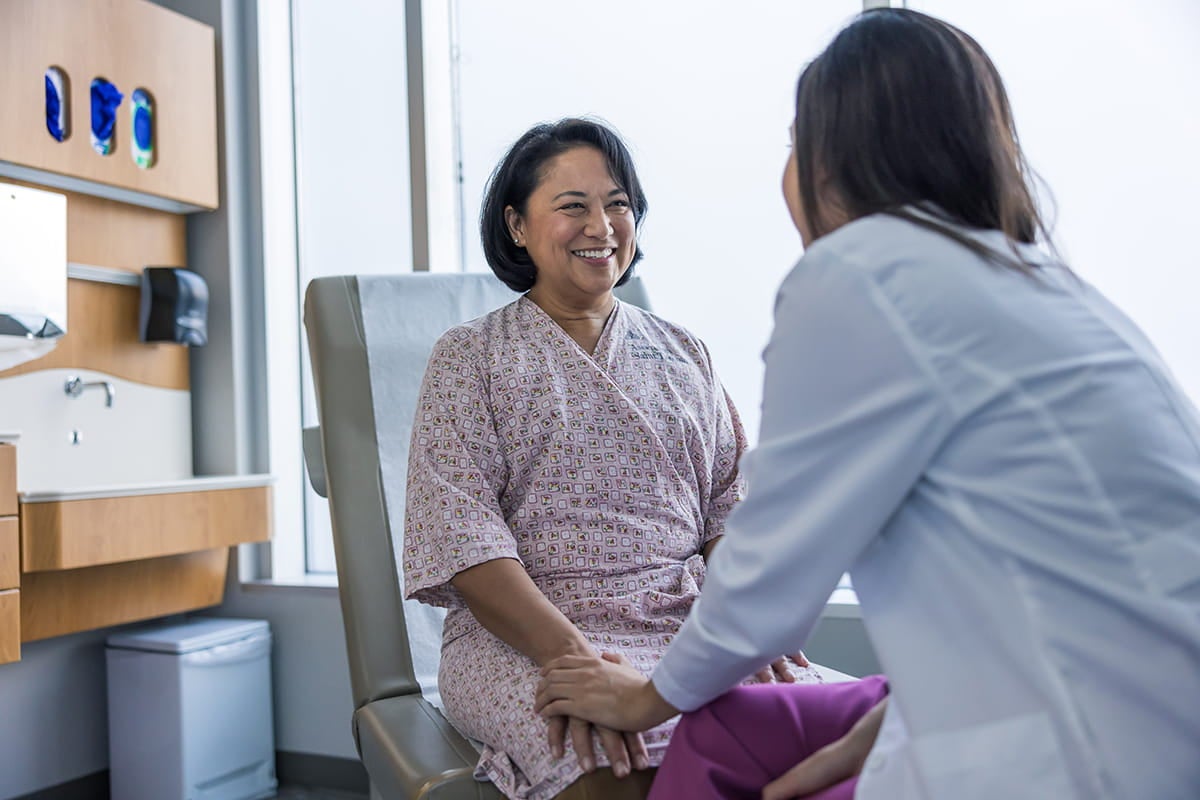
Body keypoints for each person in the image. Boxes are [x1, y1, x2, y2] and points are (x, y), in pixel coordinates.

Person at [535, 9, 1200, 800]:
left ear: (831, 161)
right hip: (1146, 696)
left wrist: (643, 696)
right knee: (730, 729)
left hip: (1079, 744)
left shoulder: (857, 277)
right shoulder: (1045, 286)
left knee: (715, 741)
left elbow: (769, 565)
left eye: (793, 142)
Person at [402, 118, 821, 800]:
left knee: (800, 732)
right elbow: (464, 538)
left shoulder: (686, 352)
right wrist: (572, 657)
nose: (602, 225)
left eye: (618, 204)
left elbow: (727, 510)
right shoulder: (469, 356)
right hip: (526, 640)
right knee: (613, 764)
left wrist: (748, 627)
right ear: (516, 225)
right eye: (573, 206)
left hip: (681, 623)